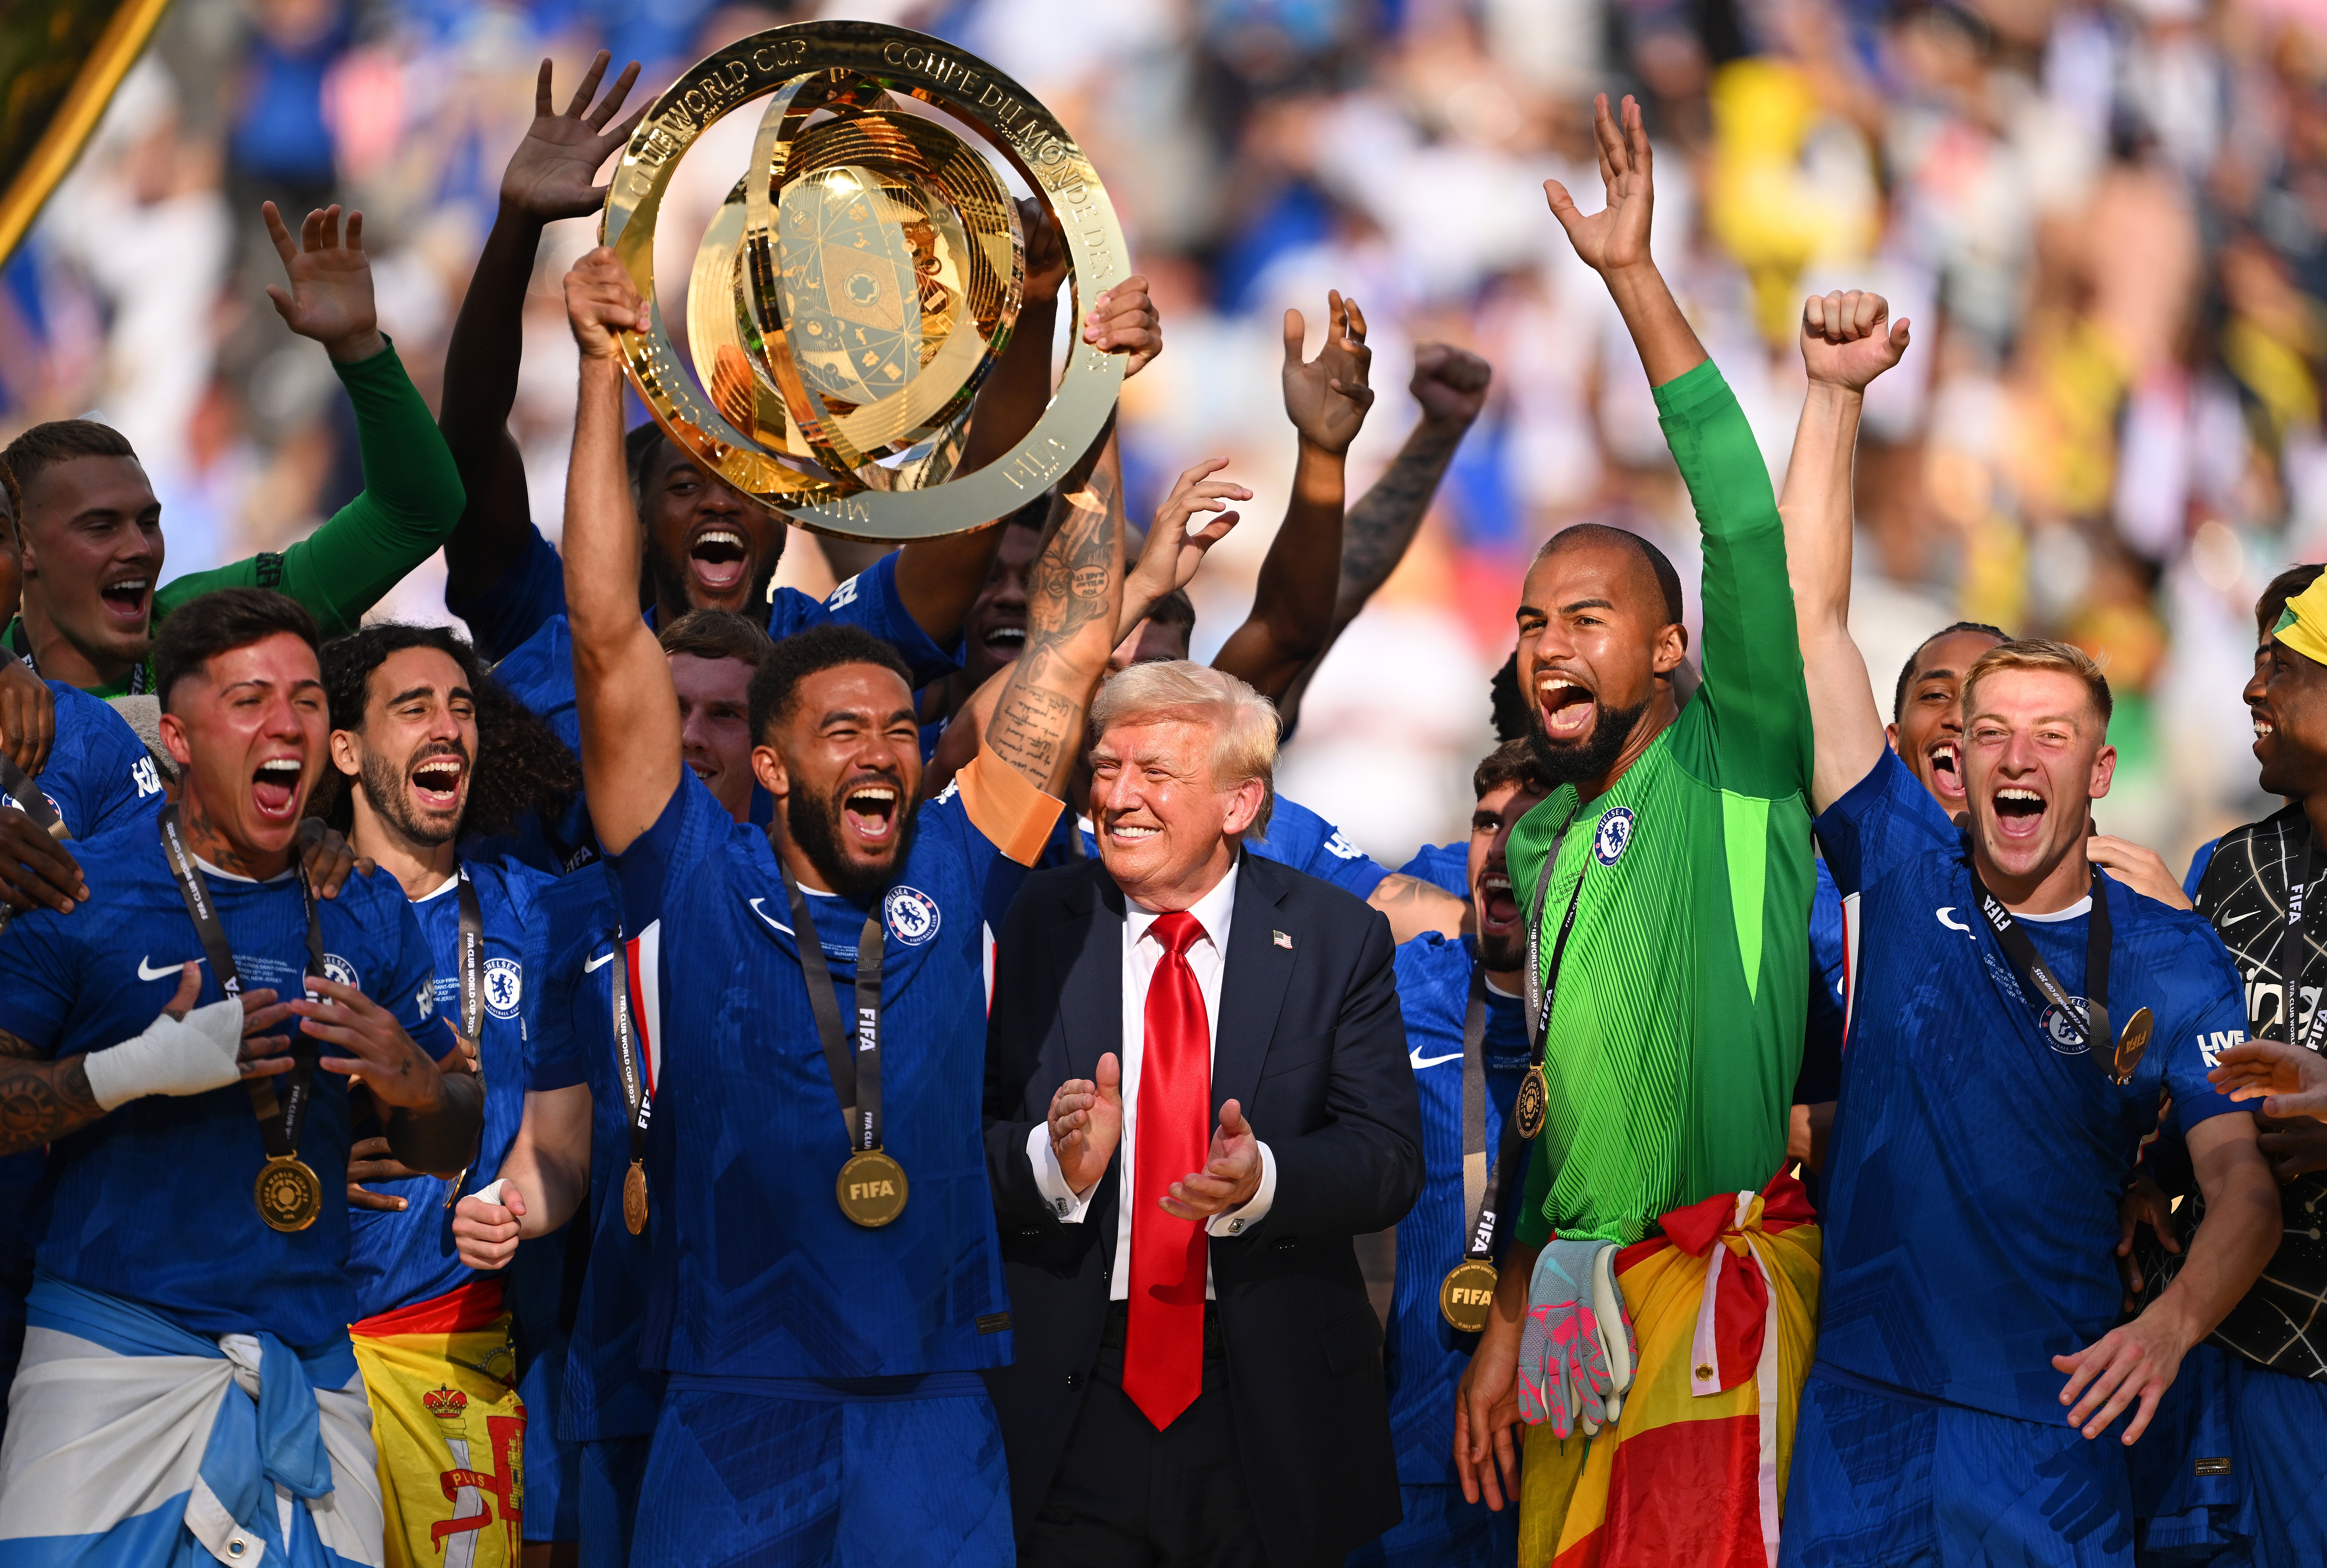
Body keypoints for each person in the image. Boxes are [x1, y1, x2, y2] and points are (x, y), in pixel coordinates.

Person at [510, 244, 1127, 1563]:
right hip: (733, 1398)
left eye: (902, 729)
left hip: (935, 1398)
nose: (883, 753)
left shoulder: (956, 869)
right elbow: (607, 629)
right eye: (844, 731)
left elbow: (1075, 643)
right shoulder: (685, 870)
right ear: (775, 765)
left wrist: (1096, 399)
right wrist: (596, 367)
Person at [1773, 281, 2282, 1563]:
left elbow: (2243, 1189)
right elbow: (1810, 624)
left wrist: (2166, 1329)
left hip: (2052, 1429)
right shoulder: (1896, 858)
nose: (2015, 755)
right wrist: (1834, 398)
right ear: (1951, 754)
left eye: (2051, 736)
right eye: (1988, 730)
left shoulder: (2172, 952)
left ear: (2096, 771)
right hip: (1865, 1417)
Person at [1450, 95, 1823, 1566]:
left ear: (1671, 652)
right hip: (1578, 1308)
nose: (1548, 640)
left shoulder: (1736, 766)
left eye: (1589, 618)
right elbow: (1558, 1119)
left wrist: (1633, 283)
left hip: (1717, 1285)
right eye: (1534, 617)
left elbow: (1738, 522)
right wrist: (1531, 1283)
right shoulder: (1539, 848)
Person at [0, 587, 480, 1565]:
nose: (286, 725)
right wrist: (129, 1073)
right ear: (179, 736)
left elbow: (454, 1140)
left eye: (307, 700)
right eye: (251, 699)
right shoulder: (80, 890)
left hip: (312, 1367)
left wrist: (421, 1088)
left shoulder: (365, 904)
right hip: (108, 1367)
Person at [982, 658, 1424, 1567]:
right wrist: (1048, 1166)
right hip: (1073, 1397)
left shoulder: (1337, 938)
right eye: (1105, 769)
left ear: (1237, 804)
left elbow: (1386, 1158)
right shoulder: (1036, 923)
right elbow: (954, 1141)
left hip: (1266, 1401)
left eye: (1155, 774)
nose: (1118, 797)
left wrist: (1264, 1178)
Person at [315, 623, 592, 1568]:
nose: (448, 727)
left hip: (454, 1354)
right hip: (294, 1345)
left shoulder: (541, 916)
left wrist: (515, 1200)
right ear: (344, 750)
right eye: (414, 707)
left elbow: (569, 1139)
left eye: (462, 707)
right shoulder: (285, 907)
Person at [4, 204, 465, 697]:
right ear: (24, 544)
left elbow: (416, 514)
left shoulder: (204, 624)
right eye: (100, 527)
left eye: (148, 523)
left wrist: (361, 349)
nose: (140, 549)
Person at [2112, 565, 2327, 1562]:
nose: (2252, 690)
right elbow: (2198, 1066)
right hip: (2241, 1345)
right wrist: (2151, 1174)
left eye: (2282, 667)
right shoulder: (2228, 868)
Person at [1349, 739, 1548, 1568]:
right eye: (1483, 822)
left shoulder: (1622, 1009)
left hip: (1561, 1458)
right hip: (1402, 1470)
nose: (1499, 847)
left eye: (1530, 825)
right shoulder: (1395, 988)